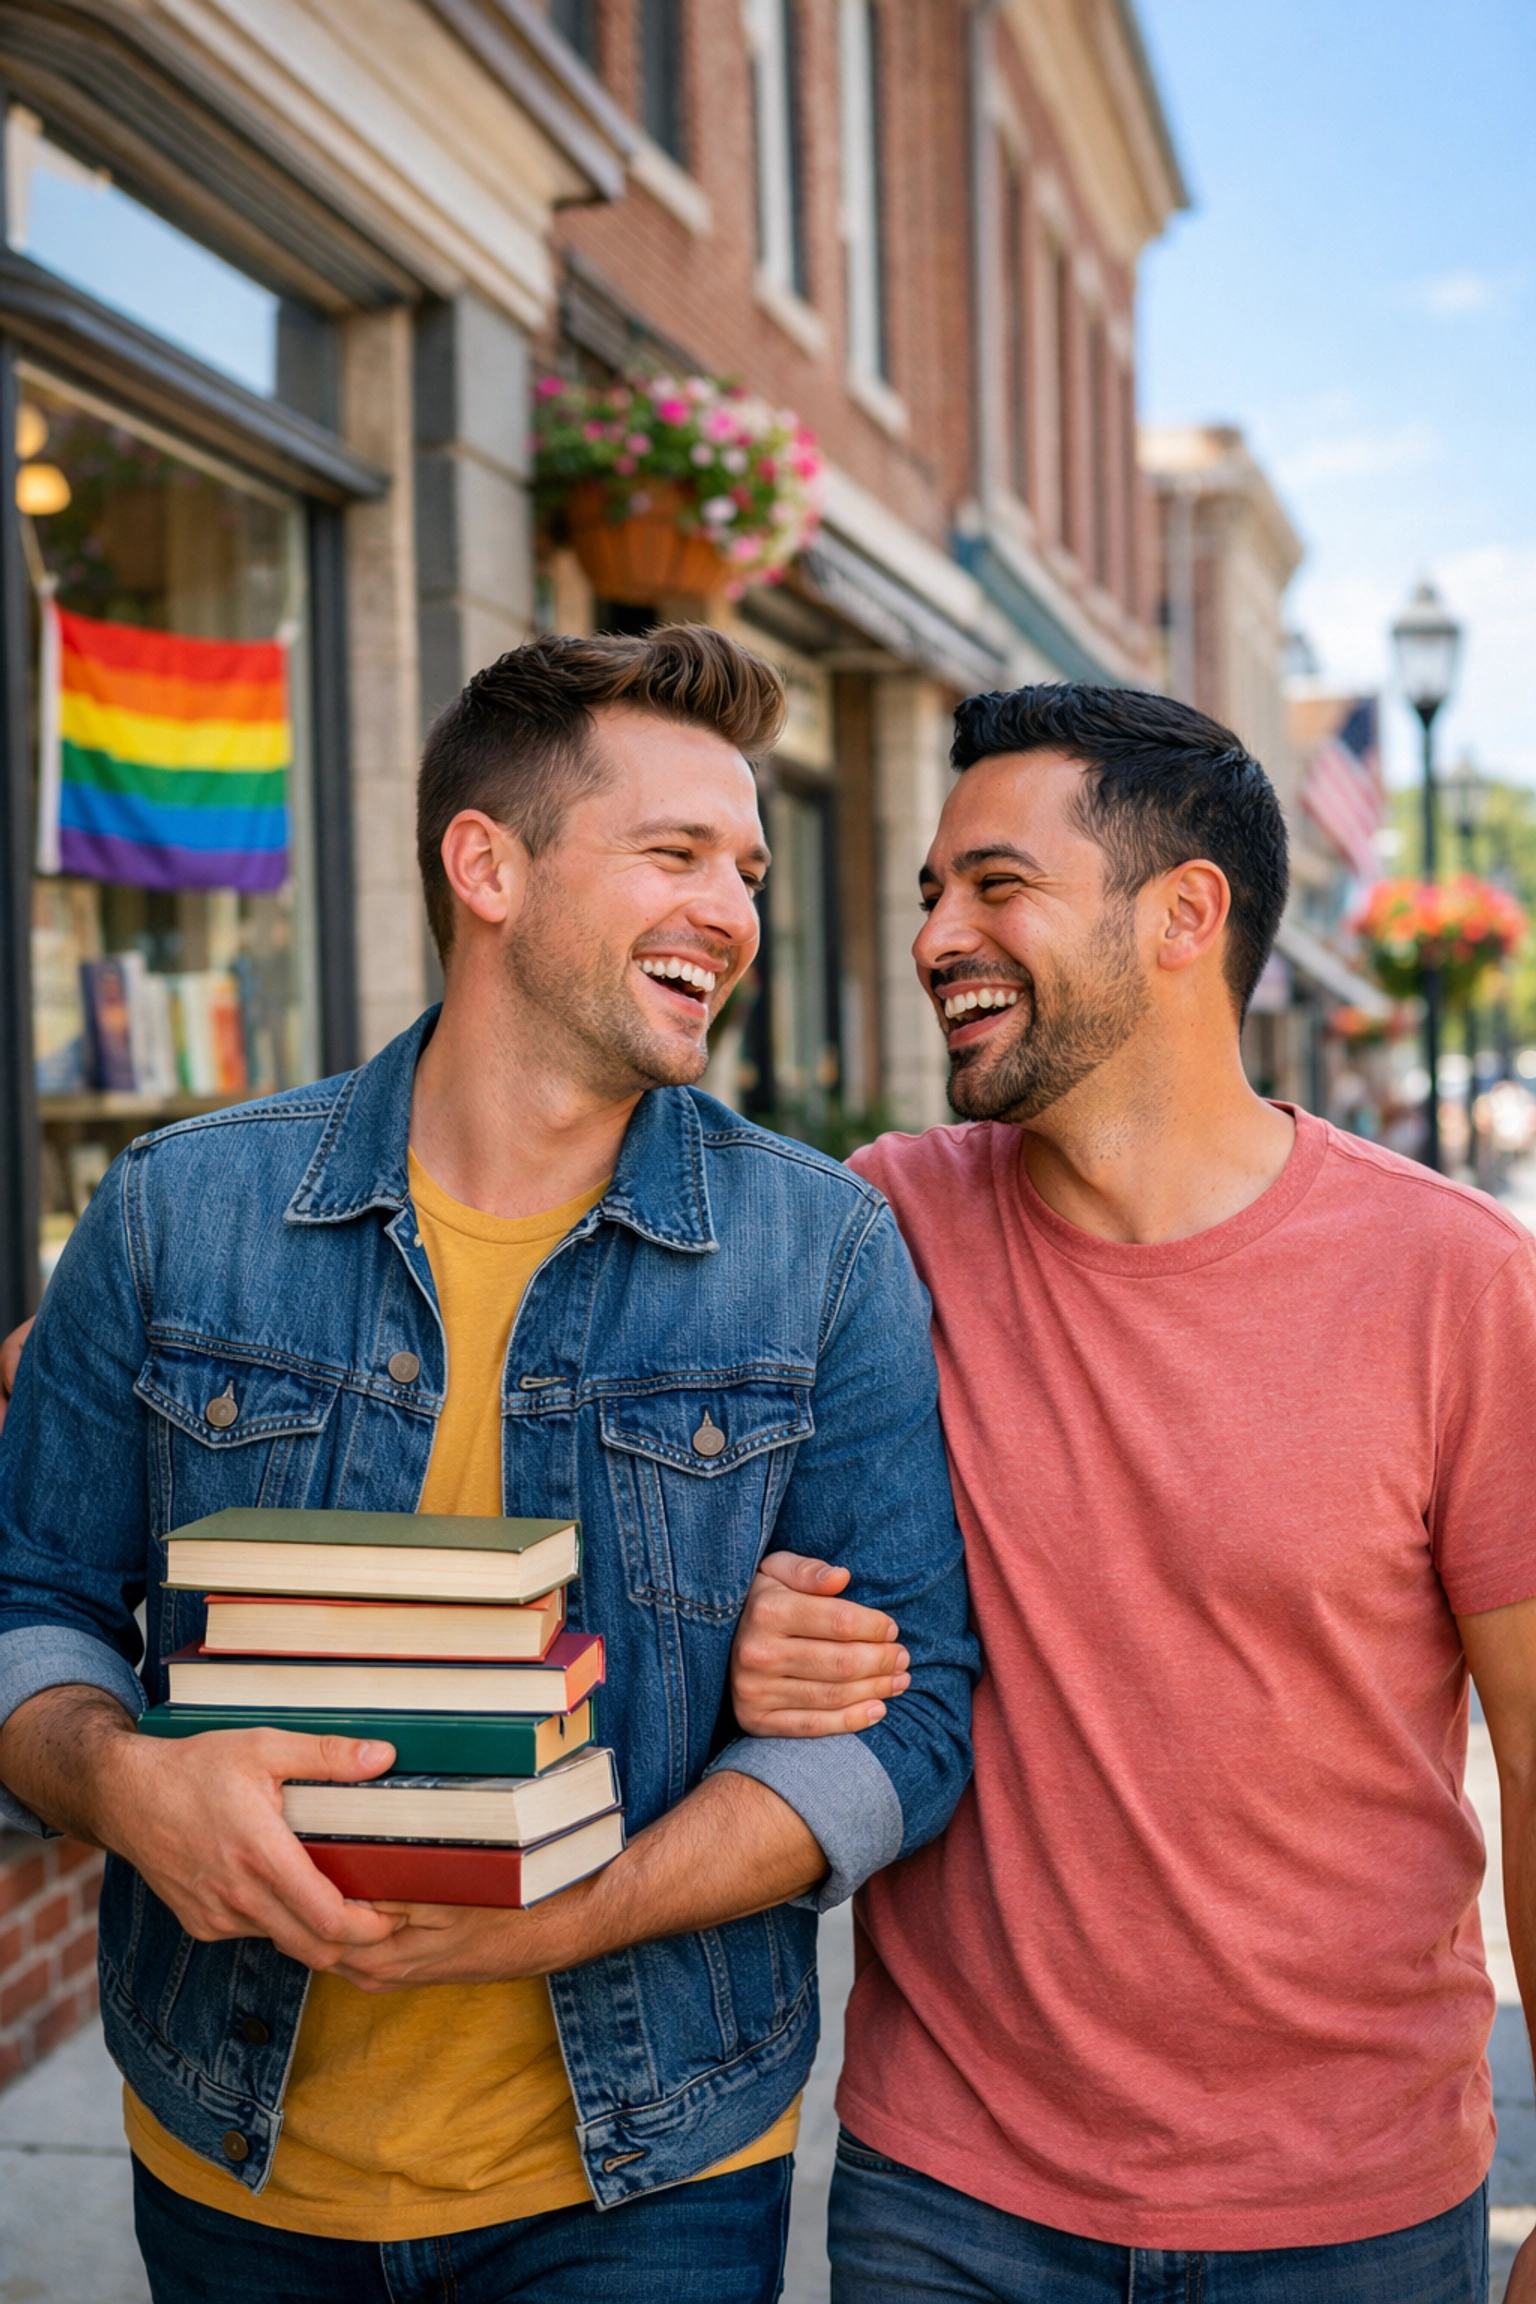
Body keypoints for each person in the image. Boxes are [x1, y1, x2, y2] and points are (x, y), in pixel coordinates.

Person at [0, 627, 975, 2304]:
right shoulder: (178, 1212)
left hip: (652, 2165)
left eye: (744, 868)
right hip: (234, 2149)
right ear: (489, 867)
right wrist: (121, 1782)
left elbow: (917, 1716)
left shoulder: (822, 1254)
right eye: (673, 853)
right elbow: (32, 1600)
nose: (734, 913)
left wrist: (562, 1922)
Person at [729, 682, 1536, 2304]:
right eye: (931, 893)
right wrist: (747, 1633)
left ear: (1185, 915)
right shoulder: (877, 1227)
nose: (937, 933)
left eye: (997, 886)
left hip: (1349, 2211)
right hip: (947, 2195)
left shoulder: (1456, 1280)